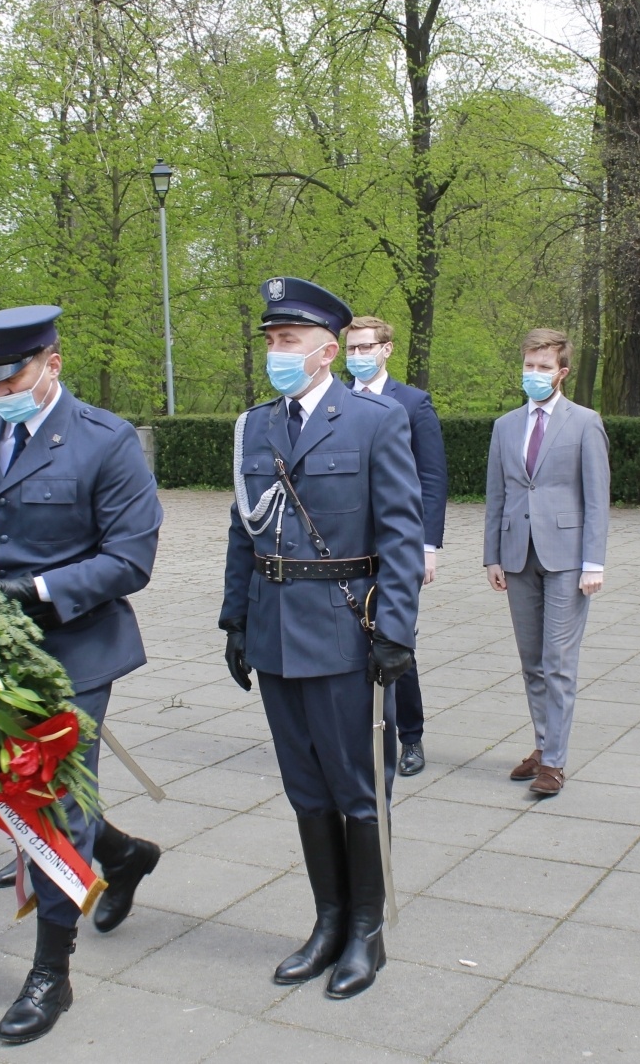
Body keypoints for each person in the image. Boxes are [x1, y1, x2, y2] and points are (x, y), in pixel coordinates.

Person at [0, 304, 164, 1044]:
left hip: (74, 646)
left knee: (56, 798)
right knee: (4, 779)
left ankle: (50, 974)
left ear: (52, 364)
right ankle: (125, 855)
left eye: (14, 374)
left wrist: (34, 591)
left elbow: (129, 558)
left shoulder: (105, 440)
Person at [220, 277, 424, 999]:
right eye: (272, 340)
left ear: (328, 349)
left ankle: (367, 930)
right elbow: (244, 530)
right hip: (275, 631)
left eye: (290, 340)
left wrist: (395, 628)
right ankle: (328, 919)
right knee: (305, 786)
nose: (278, 352)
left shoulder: (371, 421)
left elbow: (401, 533)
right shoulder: (257, 425)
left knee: (357, 787)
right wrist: (235, 618)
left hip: (343, 628)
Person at [482, 328, 609, 797]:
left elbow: (596, 497)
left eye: (543, 366)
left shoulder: (584, 422)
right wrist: (491, 555)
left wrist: (593, 562)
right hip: (517, 557)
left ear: (562, 372)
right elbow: (498, 495)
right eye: (529, 365)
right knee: (531, 660)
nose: (533, 374)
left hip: (567, 560)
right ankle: (543, 743)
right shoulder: (505, 426)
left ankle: (553, 762)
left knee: (557, 661)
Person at [344, 315, 446, 776]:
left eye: (367, 348)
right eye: (352, 349)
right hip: (347, 550)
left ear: (387, 349)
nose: (359, 356)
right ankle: (356, 733)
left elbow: (431, 479)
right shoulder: (337, 401)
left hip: (398, 547)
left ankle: (411, 738)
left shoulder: (412, 403)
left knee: (396, 639)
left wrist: (427, 548)